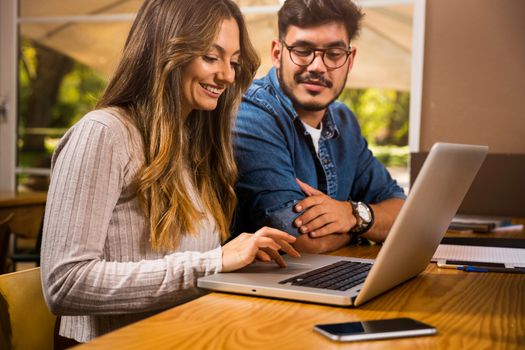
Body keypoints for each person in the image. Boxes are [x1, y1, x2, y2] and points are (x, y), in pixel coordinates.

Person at [41, 0, 299, 344]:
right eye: (211, 57)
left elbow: (183, 269)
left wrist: (243, 265)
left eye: (234, 62)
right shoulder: (103, 133)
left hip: (187, 336)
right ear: (165, 51)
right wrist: (213, 263)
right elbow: (65, 283)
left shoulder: (192, 145)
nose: (227, 75)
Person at [233, 0, 406, 254]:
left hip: (328, 279)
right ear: (277, 53)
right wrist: (361, 228)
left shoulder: (344, 121)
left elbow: (402, 211)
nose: (317, 66)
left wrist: (350, 213)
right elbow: (302, 241)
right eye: (303, 50)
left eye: (334, 54)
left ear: (350, 59)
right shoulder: (252, 114)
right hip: (262, 290)